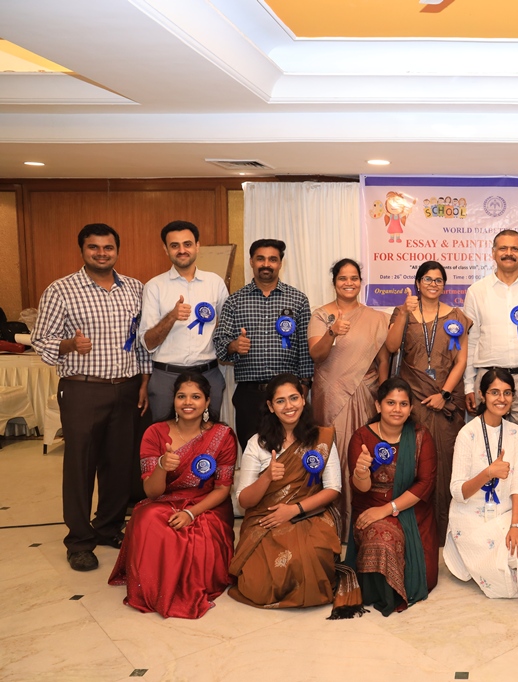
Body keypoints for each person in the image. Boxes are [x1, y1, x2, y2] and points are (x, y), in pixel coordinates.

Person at [31, 223, 151, 572]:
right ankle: (80, 541)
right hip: (82, 388)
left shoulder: (135, 288)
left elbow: (141, 340)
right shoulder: (61, 290)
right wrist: (70, 344)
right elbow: (41, 340)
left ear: (117, 250)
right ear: (82, 250)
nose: (101, 253)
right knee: (81, 465)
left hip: (127, 387)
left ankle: (108, 527)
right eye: (93, 247)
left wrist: (143, 382)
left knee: (119, 463)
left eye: (108, 247)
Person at [108, 372, 236, 618]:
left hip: (207, 504)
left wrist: (191, 513)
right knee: (147, 519)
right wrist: (161, 466)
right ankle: (155, 588)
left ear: (207, 402)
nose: (188, 402)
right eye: (181, 396)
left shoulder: (222, 435)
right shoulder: (155, 433)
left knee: (196, 533)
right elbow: (151, 492)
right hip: (165, 500)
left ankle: (180, 587)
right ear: (174, 400)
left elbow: (222, 489)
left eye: (196, 397)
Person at [229, 374, 342, 609]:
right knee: (258, 585)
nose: (289, 406)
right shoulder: (257, 443)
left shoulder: (322, 437)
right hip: (265, 518)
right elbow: (244, 500)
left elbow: (333, 488)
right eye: (280, 401)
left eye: (294, 398)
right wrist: (267, 477)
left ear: (303, 399)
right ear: (270, 406)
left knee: (308, 554)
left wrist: (294, 510)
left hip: (308, 514)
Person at [463, 229, 518, 507]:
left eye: (515, 249)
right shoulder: (477, 291)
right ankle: (489, 509)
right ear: (493, 253)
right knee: (486, 447)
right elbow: (471, 341)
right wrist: (468, 385)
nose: (509, 253)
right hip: (489, 378)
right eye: (503, 248)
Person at [444, 369, 518, 606]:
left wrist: (516, 525)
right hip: (470, 517)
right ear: (482, 395)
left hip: (504, 515)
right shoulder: (467, 434)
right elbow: (457, 492)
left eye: (507, 393)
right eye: (495, 392)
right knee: (503, 583)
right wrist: (488, 473)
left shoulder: (515, 433)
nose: (502, 399)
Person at [386, 261, 472, 537]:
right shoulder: (404, 312)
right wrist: (403, 313)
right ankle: (411, 529)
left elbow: (461, 361)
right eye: (427, 279)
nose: (433, 284)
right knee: (413, 462)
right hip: (412, 402)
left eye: (438, 280)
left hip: (445, 402)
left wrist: (444, 394)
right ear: (418, 283)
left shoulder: (456, 317)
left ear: (444, 285)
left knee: (446, 462)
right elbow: (391, 346)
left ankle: (446, 530)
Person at [308, 259, 389, 538]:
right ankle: (333, 525)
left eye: (354, 278)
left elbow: (383, 360)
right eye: (343, 278)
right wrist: (332, 332)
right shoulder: (322, 315)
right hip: (330, 396)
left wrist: (382, 394)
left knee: (363, 455)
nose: (349, 283)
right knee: (333, 455)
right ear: (334, 282)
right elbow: (316, 355)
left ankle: (363, 522)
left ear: (360, 282)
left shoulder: (376, 318)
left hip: (366, 394)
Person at [345, 378, 439, 616]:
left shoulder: (420, 436)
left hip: (410, 510)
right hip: (370, 506)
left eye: (403, 404)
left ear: (411, 408)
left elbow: (425, 484)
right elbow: (361, 489)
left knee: (425, 575)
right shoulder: (361, 437)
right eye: (390, 403)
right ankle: (379, 593)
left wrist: (387, 509)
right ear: (378, 406)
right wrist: (361, 472)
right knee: (381, 538)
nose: (397, 409)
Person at [213, 239, 313, 449]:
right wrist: (234, 345)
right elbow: (220, 346)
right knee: (253, 452)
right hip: (250, 395)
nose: (266, 264)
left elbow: (305, 349)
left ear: (280, 263)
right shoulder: (235, 301)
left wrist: (303, 387)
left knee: (290, 451)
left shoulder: (298, 300)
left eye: (272, 259)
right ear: (251, 261)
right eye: (260, 258)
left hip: (287, 395)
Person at [139, 220, 228, 422]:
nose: (182, 250)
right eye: (174, 245)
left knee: (210, 436)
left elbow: (226, 328)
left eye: (187, 244)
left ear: (197, 246)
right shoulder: (154, 286)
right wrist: (171, 316)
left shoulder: (215, 283)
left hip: (208, 375)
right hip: (166, 378)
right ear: (165, 249)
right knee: (165, 437)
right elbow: (148, 343)